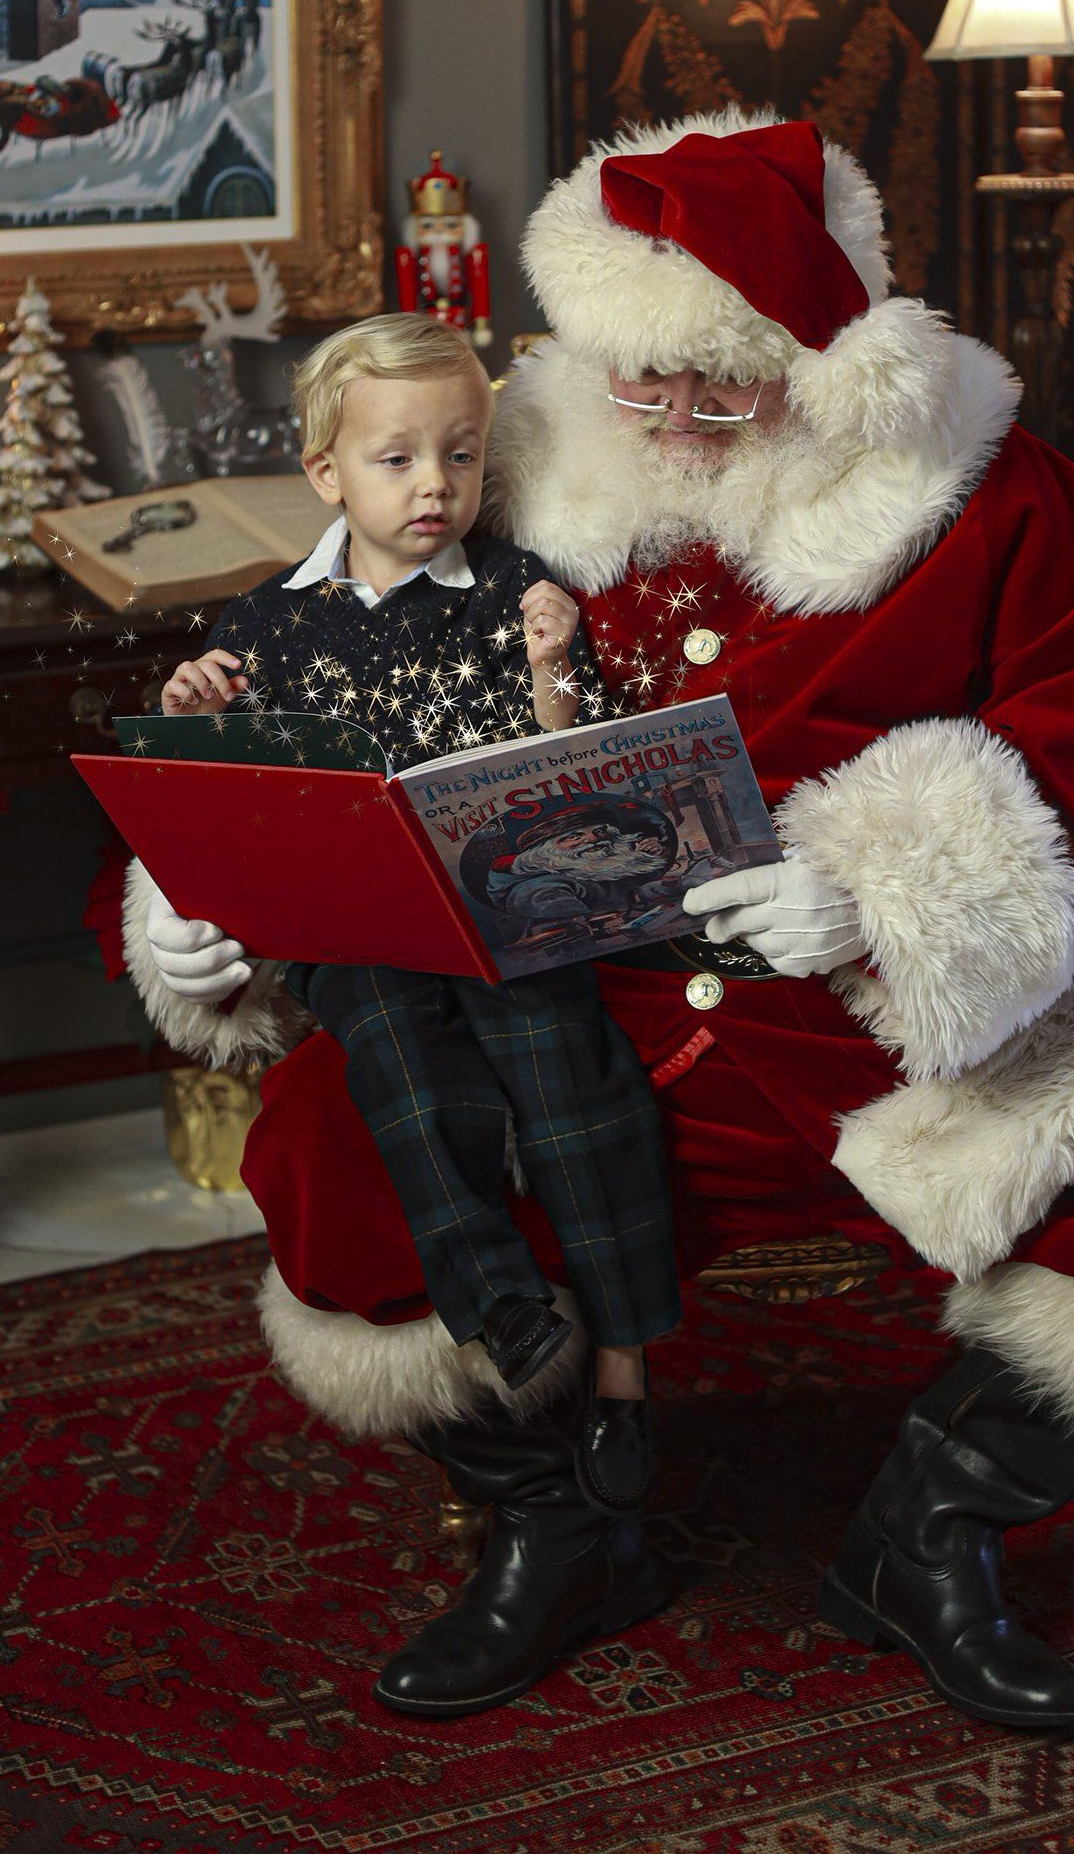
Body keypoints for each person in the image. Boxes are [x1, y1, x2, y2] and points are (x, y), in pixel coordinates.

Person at [121, 113, 1074, 1734]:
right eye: (643, 381)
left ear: (820, 361)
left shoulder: (994, 494)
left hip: (871, 1020)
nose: (676, 419)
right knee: (335, 1146)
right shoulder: (497, 454)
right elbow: (316, 700)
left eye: (726, 384)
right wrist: (214, 919)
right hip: (569, 1004)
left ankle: (927, 1535)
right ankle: (562, 1528)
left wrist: (885, 893)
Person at [154, 313, 682, 1613]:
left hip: (501, 913)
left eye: (458, 453)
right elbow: (229, 800)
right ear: (327, 473)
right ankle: (499, 1303)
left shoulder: (514, 590)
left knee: (566, 1061)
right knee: (395, 1057)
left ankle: (623, 1369)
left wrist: (557, 674)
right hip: (356, 930)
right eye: (396, 460)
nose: (433, 485)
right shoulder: (266, 624)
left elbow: (570, 775)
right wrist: (196, 717)